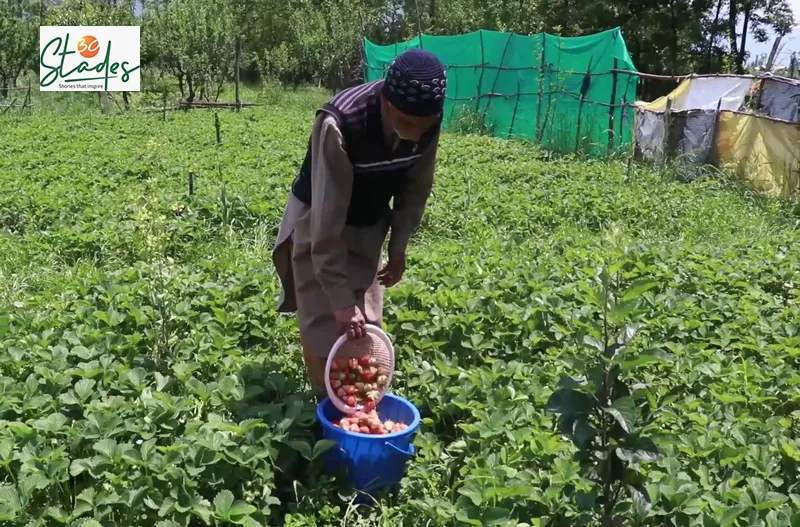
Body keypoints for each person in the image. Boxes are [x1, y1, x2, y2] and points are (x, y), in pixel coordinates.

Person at [271, 48, 446, 399]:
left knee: (365, 319)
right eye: (407, 124)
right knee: (323, 320)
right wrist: (337, 299)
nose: (415, 137)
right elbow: (327, 220)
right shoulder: (340, 123)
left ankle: (360, 401)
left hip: (370, 217)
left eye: (422, 127)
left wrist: (398, 246)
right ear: (385, 100)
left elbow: (416, 187)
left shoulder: (425, 120)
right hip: (317, 217)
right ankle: (327, 407)